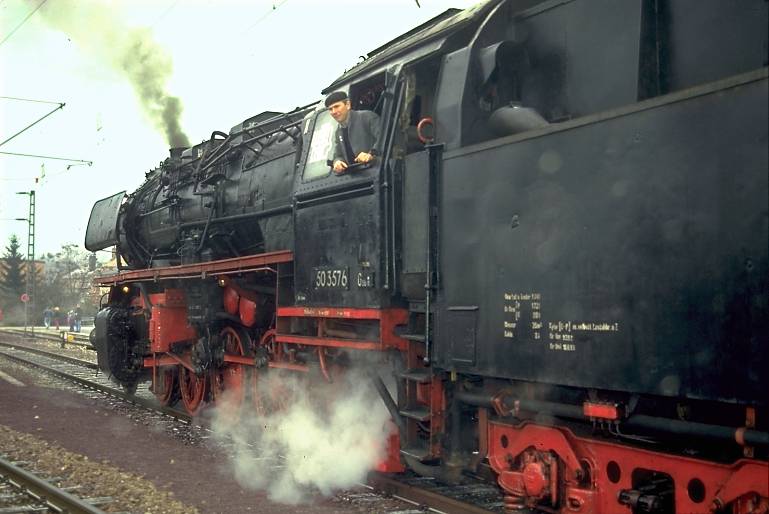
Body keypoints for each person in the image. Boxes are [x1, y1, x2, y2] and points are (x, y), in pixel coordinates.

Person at [325, 91, 381, 174]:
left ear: (348, 105)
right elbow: (338, 154)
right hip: (356, 177)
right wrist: (337, 162)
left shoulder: (368, 117)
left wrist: (370, 154)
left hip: (376, 171)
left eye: (336, 106)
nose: (333, 112)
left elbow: (384, 139)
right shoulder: (339, 131)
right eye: (330, 109)